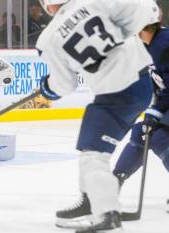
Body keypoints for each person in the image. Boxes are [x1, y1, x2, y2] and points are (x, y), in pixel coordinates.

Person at [36, 0, 159, 232]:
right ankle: (90, 201)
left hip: (117, 93)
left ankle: (107, 212)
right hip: (141, 83)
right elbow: (145, 10)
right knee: (89, 145)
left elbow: (64, 85)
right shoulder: (92, 1)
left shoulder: (48, 39)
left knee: (93, 156)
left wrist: (48, 87)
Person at [113, 20, 169, 210]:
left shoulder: (165, 43)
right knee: (142, 132)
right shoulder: (149, 45)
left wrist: (156, 111)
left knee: (158, 137)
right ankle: (113, 183)